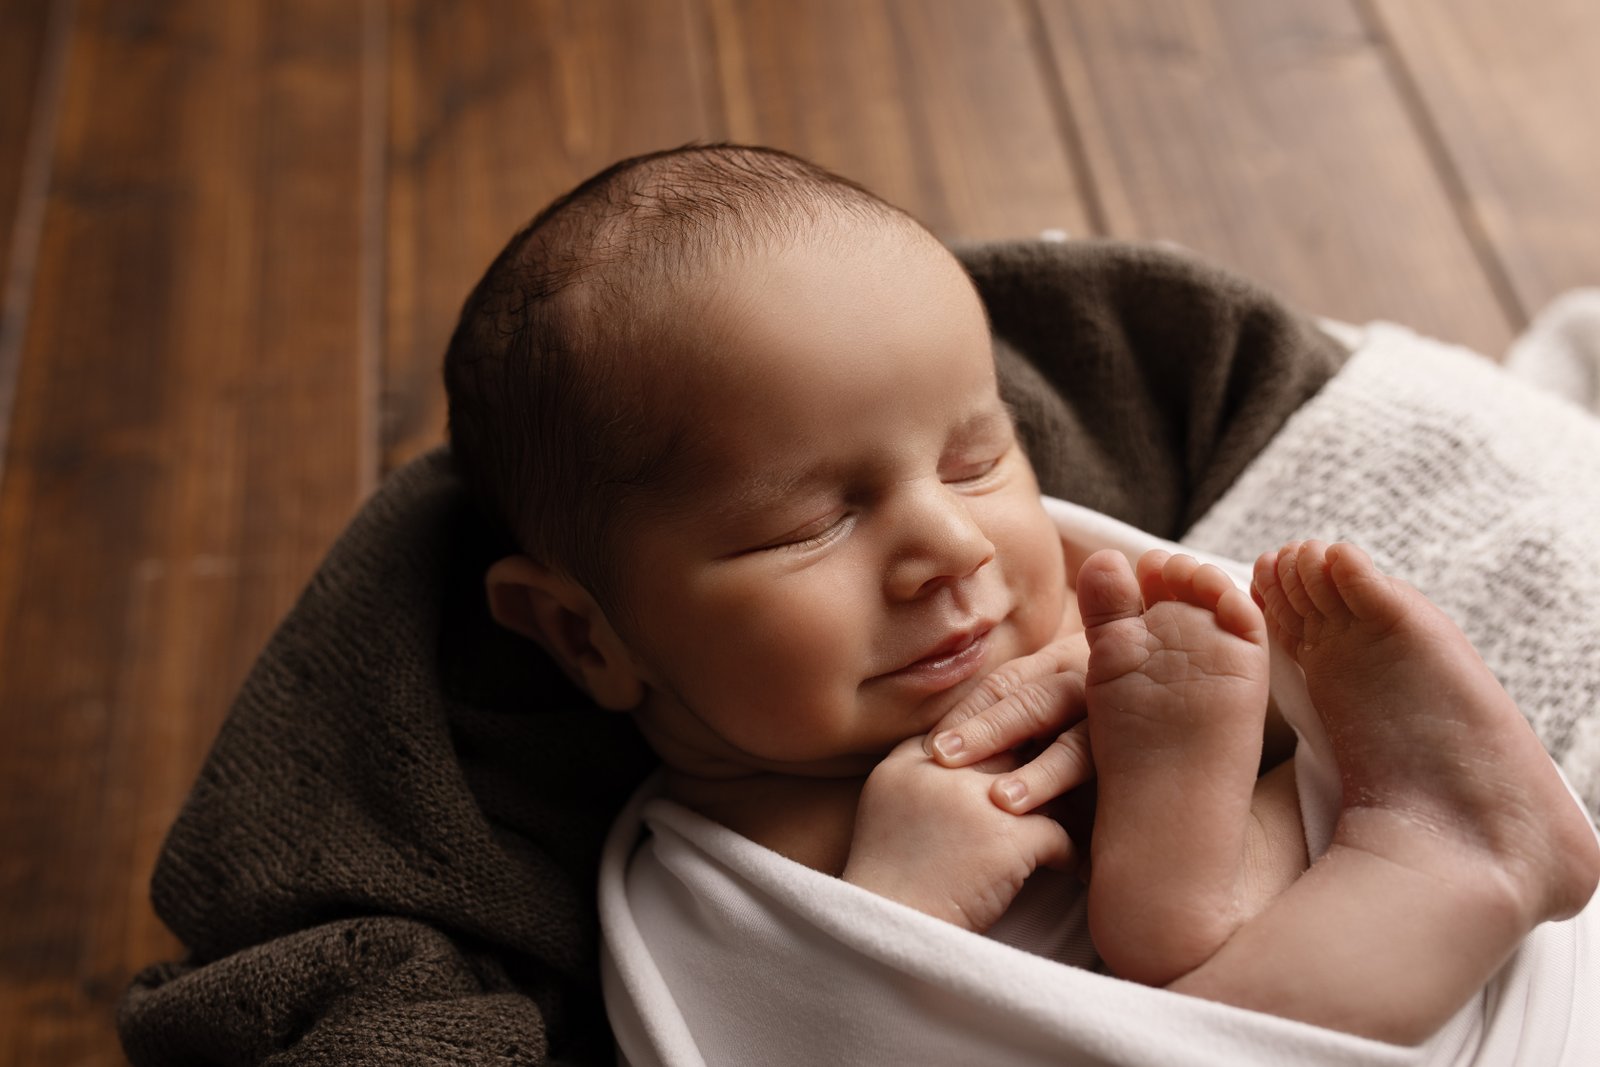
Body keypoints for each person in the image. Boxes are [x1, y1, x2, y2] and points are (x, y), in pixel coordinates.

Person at [442, 142, 1599, 1046]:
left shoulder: (1097, 631)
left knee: (1188, 899)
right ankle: (1451, 859)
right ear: (583, 634)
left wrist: (1229, 706)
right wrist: (897, 912)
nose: (951, 546)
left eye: (975, 460)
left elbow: (1313, 721)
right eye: (810, 523)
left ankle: (1253, 860)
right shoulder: (695, 892)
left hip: (1491, 1005)